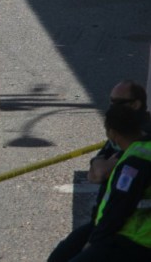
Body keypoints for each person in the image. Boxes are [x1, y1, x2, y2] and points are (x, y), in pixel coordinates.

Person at [48, 80, 151, 261]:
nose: (112, 107)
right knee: (59, 256)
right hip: (111, 227)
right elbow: (95, 171)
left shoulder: (137, 155)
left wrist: (95, 242)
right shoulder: (127, 134)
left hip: (129, 236)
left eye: (117, 102)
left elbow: (117, 205)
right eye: (111, 102)